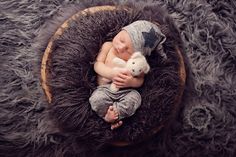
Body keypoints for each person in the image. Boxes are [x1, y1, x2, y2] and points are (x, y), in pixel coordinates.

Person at [89, 20, 166, 130]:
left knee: (135, 98)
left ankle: (115, 115)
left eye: (128, 52)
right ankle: (107, 116)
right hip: (104, 90)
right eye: (121, 40)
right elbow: (97, 65)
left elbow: (140, 81)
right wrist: (110, 74)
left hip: (124, 93)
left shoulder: (137, 64)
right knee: (96, 99)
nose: (120, 47)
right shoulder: (108, 46)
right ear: (121, 30)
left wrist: (130, 82)